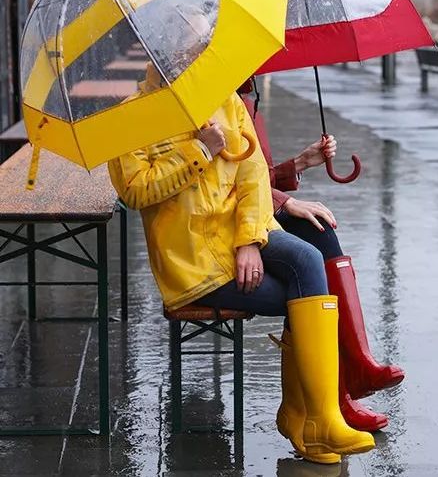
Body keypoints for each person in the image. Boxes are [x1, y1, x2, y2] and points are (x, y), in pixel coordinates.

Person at [108, 59, 376, 465]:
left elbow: (252, 177)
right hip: (194, 262)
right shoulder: (130, 117)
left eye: (199, 50)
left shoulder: (224, 99)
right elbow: (135, 192)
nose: (194, 59)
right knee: (300, 293)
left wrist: (249, 240)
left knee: (308, 257)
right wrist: (199, 151)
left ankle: (318, 417)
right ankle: (303, 417)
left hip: (240, 235)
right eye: (186, 52)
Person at [239, 79, 405, 435]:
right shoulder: (217, 102)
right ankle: (343, 389)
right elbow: (224, 182)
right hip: (233, 227)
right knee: (309, 257)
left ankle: (347, 384)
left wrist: (300, 162)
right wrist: (286, 202)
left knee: (320, 231)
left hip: (253, 212)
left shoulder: (245, 97)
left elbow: (253, 176)